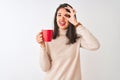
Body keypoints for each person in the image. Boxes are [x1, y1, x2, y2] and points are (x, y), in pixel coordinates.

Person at [36, 3, 100, 80]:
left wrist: (76, 24)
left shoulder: (76, 38)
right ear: (55, 18)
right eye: (59, 15)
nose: (62, 19)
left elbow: (95, 45)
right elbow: (45, 68)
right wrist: (42, 46)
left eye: (66, 16)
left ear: (71, 18)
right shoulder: (49, 37)